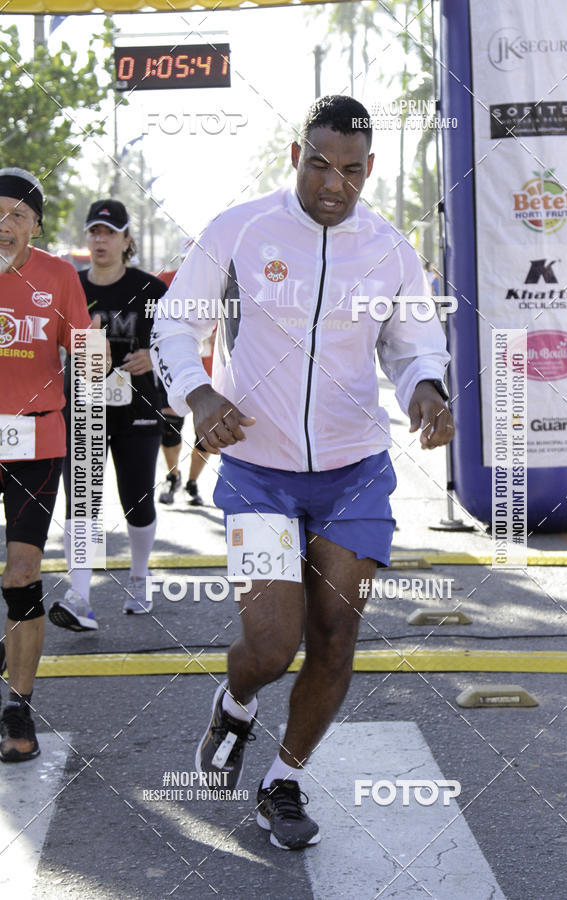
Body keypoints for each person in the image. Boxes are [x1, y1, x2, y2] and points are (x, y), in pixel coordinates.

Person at [151, 96, 454, 850]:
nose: (332, 184)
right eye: (319, 164)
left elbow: (414, 344)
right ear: (296, 157)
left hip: (355, 472)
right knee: (270, 645)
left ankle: (283, 780)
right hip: (259, 471)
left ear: (369, 170)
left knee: (335, 636)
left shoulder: (388, 248)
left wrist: (426, 390)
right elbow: (175, 322)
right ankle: (236, 704)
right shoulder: (239, 229)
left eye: (350, 170)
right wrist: (199, 393)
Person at [0, 168, 102, 760]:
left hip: (36, 441)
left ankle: (19, 704)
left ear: (35, 226)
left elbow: (83, 352)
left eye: (18, 214)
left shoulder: (58, 276)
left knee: (21, 572)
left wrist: (95, 358)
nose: (5, 224)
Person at [49, 200, 167, 631]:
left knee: (137, 499)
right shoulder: (70, 284)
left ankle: (139, 576)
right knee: (81, 501)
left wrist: (152, 356)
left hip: (138, 407)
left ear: (126, 240)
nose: (100, 240)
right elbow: (49, 341)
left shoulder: (151, 289)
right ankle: (80, 598)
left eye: (110, 233)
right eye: (94, 231)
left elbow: (180, 339)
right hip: (83, 404)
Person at [156, 245, 213, 507]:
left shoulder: (223, 284)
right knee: (170, 426)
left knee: (208, 432)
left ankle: (192, 483)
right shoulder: (163, 282)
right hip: (174, 367)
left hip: (210, 368)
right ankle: (173, 476)